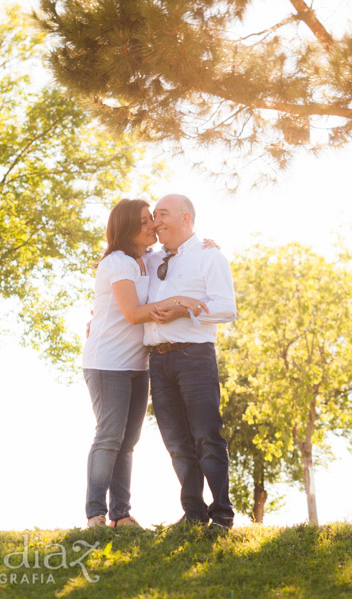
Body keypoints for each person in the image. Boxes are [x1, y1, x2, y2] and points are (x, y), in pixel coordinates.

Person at [82, 198, 207, 529]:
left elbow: (184, 252)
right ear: (126, 229)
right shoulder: (118, 263)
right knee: (109, 437)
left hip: (137, 364)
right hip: (107, 363)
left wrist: (207, 245)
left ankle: (121, 515)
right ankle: (95, 513)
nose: (152, 224)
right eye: (144, 221)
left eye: (152, 218)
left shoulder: (148, 260)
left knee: (128, 443)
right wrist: (179, 301)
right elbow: (134, 313)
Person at [144, 193, 237, 530]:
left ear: (186, 218)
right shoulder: (151, 260)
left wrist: (186, 309)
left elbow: (227, 307)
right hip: (158, 361)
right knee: (176, 443)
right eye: (154, 216)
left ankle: (222, 514)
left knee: (206, 437)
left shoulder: (209, 256)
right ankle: (194, 514)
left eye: (163, 214)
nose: (156, 222)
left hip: (194, 357)